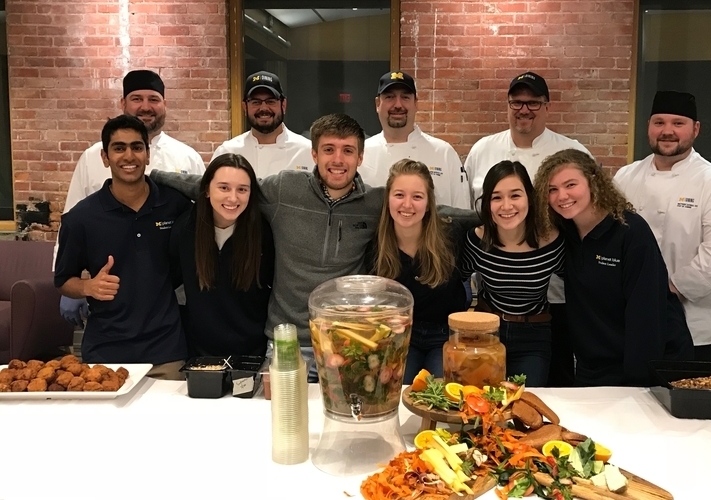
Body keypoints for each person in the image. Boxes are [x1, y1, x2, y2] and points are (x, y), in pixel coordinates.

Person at [149, 114, 478, 380]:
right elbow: (222, 185)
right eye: (330, 149)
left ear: (360, 157)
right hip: (286, 341)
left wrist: (488, 218)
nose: (338, 159)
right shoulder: (284, 191)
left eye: (348, 150)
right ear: (314, 154)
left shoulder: (375, 202)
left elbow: (433, 212)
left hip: (348, 344)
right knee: (277, 428)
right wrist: (152, 178)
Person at [464, 71, 592, 387]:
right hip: (495, 297)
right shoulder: (482, 149)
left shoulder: (571, 151)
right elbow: (471, 213)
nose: (524, 110)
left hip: (555, 302)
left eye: (533, 103)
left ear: (547, 106)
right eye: (517, 102)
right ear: (508, 106)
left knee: (548, 390)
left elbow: (587, 217)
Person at [58, 70, 205, 328]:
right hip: (114, 292)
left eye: (154, 99)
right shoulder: (92, 156)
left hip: (173, 294)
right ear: (122, 103)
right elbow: (72, 219)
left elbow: (202, 220)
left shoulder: (187, 156)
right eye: (137, 98)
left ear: (165, 105)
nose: (145, 107)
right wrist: (76, 286)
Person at [535, 148, 694, 387]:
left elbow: (647, 314)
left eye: (570, 185)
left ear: (593, 182)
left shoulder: (630, 232)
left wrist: (638, 382)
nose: (562, 196)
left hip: (648, 366)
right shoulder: (563, 233)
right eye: (552, 190)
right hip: (594, 367)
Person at [54, 115, 192, 379]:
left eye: (137, 147)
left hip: (167, 352)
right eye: (119, 148)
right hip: (106, 354)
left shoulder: (175, 205)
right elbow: (62, 279)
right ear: (105, 157)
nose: (129, 156)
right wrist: (87, 287)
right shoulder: (81, 218)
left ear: (148, 154)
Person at [614, 91, 711, 362]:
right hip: (630, 322)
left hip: (691, 325)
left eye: (678, 123)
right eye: (659, 122)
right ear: (649, 127)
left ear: (695, 129)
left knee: (679, 403)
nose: (667, 131)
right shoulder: (625, 177)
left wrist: (664, 289)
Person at [459, 161, 564, 387]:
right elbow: (456, 283)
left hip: (534, 336)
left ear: (529, 197)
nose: (506, 206)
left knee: (525, 406)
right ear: (487, 203)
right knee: (480, 405)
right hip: (487, 331)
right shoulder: (477, 240)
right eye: (496, 197)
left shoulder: (552, 242)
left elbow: (580, 286)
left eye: (515, 195)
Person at [366, 159, 468, 381]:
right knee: (397, 387)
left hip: (444, 336)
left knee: (439, 390)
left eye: (417, 196)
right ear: (388, 199)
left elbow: (485, 218)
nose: (407, 204)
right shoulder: (376, 244)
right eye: (399, 195)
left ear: (429, 203)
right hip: (400, 336)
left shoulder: (451, 235)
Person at [170, 154, 274, 358]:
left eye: (242, 189)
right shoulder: (185, 229)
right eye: (224, 188)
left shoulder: (262, 233)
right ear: (207, 190)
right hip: (198, 353)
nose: (233, 198)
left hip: (253, 354)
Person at [358, 71, 470, 209]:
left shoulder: (443, 153)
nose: (398, 105)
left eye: (405, 97)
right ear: (377, 104)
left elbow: (462, 212)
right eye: (389, 97)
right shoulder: (361, 153)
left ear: (416, 103)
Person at [211, 71, 314, 178]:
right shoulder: (227, 152)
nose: (264, 108)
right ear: (244, 107)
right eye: (256, 102)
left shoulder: (307, 151)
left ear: (283, 105)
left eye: (271, 101)